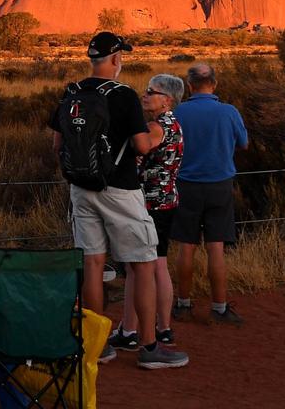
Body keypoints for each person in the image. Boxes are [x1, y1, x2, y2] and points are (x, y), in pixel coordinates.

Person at [49, 33, 188, 370]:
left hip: (81, 188)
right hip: (121, 190)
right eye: (120, 57)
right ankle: (149, 346)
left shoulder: (73, 93)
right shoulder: (124, 95)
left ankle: (96, 346)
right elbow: (141, 146)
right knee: (142, 264)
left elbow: (57, 145)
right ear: (114, 59)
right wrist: (156, 136)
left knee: (93, 265)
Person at [109, 74, 185, 352]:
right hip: (167, 201)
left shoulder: (156, 126)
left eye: (151, 92)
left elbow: (140, 146)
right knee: (158, 266)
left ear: (166, 100)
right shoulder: (174, 124)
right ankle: (163, 328)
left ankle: (130, 330)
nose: (144, 95)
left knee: (136, 268)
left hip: (149, 204)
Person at [170, 63, 249, 325]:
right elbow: (244, 143)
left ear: (190, 86)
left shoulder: (179, 111)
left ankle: (182, 305)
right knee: (216, 247)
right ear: (213, 84)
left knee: (186, 246)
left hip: (187, 185)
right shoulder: (229, 112)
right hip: (220, 186)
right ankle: (219, 308)